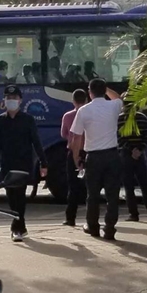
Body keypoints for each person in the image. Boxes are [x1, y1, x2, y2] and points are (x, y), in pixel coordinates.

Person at [0, 85, 48, 242]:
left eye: (14, 98)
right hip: (7, 165)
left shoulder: (27, 120)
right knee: (11, 197)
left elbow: (36, 142)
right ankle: (20, 227)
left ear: (20, 100)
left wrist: (44, 163)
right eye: (8, 98)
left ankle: (17, 228)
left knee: (20, 197)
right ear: (4, 101)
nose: (11, 101)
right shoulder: (0, 120)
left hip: (23, 164)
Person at [70, 79, 122, 240]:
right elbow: (118, 97)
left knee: (92, 195)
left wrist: (76, 158)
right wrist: (107, 89)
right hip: (112, 155)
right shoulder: (113, 106)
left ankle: (93, 227)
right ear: (104, 90)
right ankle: (110, 228)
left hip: (93, 157)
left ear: (89, 92)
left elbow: (76, 138)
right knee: (112, 195)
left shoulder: (84, 110)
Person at [118, 106, 147, 222]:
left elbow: (119, 138)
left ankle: (133, 214)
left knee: (128, 186)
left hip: (126, 155)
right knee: (145, 185)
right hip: (140, 155)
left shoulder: (120, 118)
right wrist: (139, 149)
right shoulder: (142, 118)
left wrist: (131, 150)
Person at [60, 89, 87, 227]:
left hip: (72, 153)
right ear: (86, 100)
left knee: (73, 187)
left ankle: (70, 218)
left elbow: (64, 134)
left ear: (73, 101)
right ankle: (91, 219)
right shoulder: (90, 113)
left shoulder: (68, 116)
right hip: (88, 152)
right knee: (91, 187)